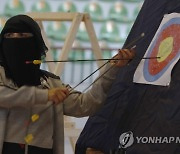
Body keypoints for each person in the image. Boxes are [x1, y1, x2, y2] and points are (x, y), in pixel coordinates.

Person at [0, 14, 135, 154]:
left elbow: (86, 104)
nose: (15, 41)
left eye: (22, 35)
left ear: (34, 44)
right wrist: (44, 96)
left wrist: (112, 68)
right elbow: (5, 97)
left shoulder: (51, 84)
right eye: (9, 36)